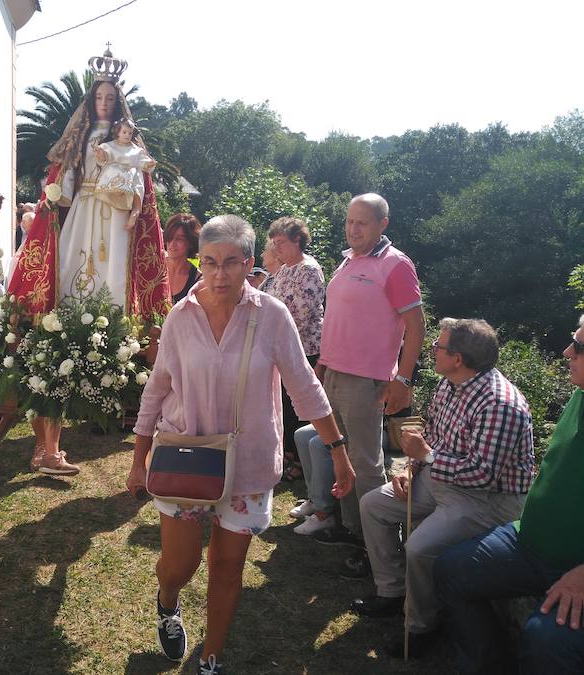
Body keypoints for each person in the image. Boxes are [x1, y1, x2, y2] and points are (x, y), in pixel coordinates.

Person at [126, 215, 355, 675]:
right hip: (186, 458)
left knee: (228, 568)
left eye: (231, 263)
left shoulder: (271, 316)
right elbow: (157, 387)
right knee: (179, 565)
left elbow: (305, 387)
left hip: (247, 464)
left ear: (250, 264)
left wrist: (338, 451)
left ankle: (211, 658)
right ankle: (167, 601)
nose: (218, 274)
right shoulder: (181, 315)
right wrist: (138, 458)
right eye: (209, 262)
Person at [7, 47, 170, 476]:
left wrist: (134, 210)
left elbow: (140, 181)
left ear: (117, 103)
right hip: (83, 213)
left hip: (115, 219)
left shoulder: (130, 143)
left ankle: (108, 326)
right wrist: (58, 194)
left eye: (110, 99)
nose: (104, 103)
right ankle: (47, 445)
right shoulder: (79, 138)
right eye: (98, 98)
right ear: (90, 101)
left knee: (112, 275)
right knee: (71, 273)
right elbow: (66, 178)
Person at [350, 318, 534, 660]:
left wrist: (428, 457)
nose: (432, 351)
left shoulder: (500, 404)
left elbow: (483, 475)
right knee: (373, 505)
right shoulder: (449, 384)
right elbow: (432, 437)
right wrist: (411, 467)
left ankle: (421, 627)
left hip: (488, 499)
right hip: (444, 479)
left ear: (459, 358)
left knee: (419, 547)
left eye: (439, 347)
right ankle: (391, 591)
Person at [433, 316, 584, 674]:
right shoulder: (580, 394)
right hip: (530, 541)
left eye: (579, 347)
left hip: (575, 567)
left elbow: (484, 473)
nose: (566, 352)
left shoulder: (501, 401)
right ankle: (489, 663)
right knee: (450, 569)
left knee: (547, 641)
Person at [312, 193, 425, 577]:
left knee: (366, 462)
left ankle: (375, 546)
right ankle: (351, 529)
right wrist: (324, 365)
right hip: (336, 373)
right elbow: (339, 320)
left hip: (367, 380)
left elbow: (416, 326)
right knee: (339, 454)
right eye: (349, 221)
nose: (353, 228)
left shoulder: (395, 265)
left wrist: (403, 379)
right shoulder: (349, 260)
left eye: (362, 222)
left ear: (382, 225)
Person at [266, 217, 326, 494]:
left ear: (297, 241)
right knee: (284, 407)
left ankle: (299, 462)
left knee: (299, 407)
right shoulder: (283, 271)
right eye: (275, 243)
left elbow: (303, 314)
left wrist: (275, 328)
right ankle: (287, 455)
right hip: (281, 348)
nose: (276, 249)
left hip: (304, 349)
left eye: (281, 243)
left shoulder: (309, 270)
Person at [93, 117, 156, 230]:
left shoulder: (136, 150)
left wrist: (150, 163)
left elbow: (143, 161)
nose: (127, 135)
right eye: (124, 132)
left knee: (136, 176)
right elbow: (103, 159)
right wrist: (101, 154)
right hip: (112, 177)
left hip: (130, 178)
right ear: (118, 132)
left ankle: (136, 211)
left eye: (130, 133)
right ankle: (116, 193)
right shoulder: (109, 146)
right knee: (116, 170)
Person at [164, 213, 202, 304]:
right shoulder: (153, 270)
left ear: (191, 243)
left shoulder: (198, 281)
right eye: (170, 237)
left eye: (179, 239)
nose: (172, 243)